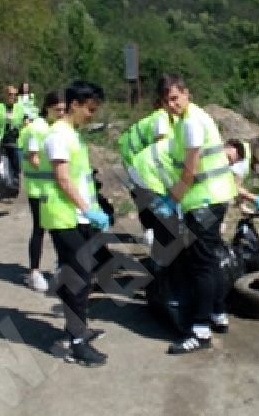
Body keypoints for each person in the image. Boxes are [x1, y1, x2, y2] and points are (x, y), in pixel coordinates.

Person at [157, 74, 237, 354]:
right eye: (167, 100)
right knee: (211, 258)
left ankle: (200, 329)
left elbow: (190, 170)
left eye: (175, 97)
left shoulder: (190, 124)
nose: (172, 104)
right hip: (215, 196)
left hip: (204, 200)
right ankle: (217, 312)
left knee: (201, 263)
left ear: (186, 93)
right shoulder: (195, 117)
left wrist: (172, 199)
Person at [40, 81, 111, 367]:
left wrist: (91, 209)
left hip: (78, 215)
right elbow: (63, 179)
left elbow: (80, 178)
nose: (92, 114)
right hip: (64, 217)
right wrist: (87, 210)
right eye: (90, 109)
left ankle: (77, 329)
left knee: (81, 277)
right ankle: (75, 343)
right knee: (77, 279)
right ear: (74, 105)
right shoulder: (58, 135)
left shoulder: (72, 134)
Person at [18, 91, 66, 292]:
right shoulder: (36, 129)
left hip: (55, 189)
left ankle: (60, 267)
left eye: (64, 110)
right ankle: (35, 272)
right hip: (39, 189)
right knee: (40, 229)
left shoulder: (58, 127)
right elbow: (33, 158)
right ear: (47, 108)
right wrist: (58, 167)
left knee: (59, 229)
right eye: (58, 110)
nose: (61, 113)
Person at [118, 98, 175, 246]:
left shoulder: (158, 117)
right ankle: (154, 235)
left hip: (134, 162)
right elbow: (161, 150)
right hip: (139, 164)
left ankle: (151, 232)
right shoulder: (162, 118)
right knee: (153, 199)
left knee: (145, 199)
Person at [0, 85, 26, 183]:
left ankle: (15, 181)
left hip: (15, 139)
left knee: (16, 163)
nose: (12, 96)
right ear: (5, 95)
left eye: (15, 94)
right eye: (10, 94)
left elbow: (25, 121)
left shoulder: (20, 108)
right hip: (0, 139)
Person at [224, 138, 259, 211]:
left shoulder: (245, 147)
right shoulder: (244, 162)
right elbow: (234, 187)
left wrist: (242, 205)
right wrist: (254, 198)